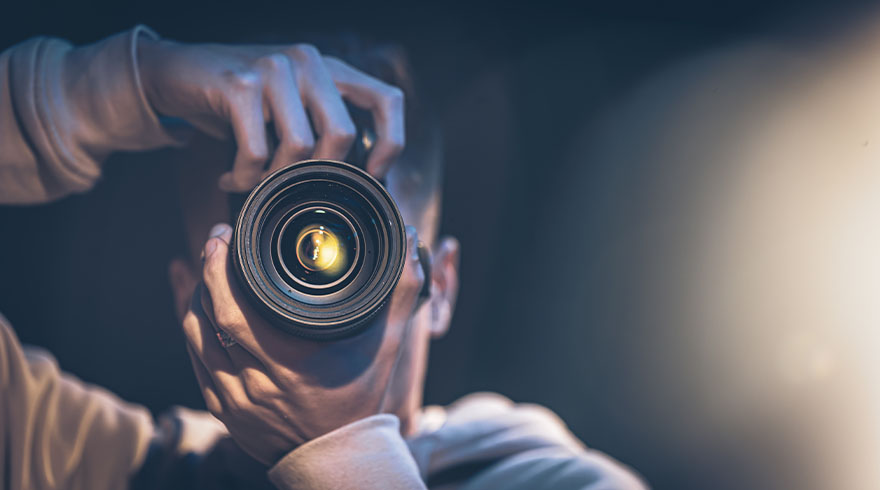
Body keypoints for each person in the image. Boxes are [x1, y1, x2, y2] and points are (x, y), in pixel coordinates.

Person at [0, 25, 646, 489]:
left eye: (360, 239)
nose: (311, 278)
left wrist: (342, 460)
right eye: (265, 241)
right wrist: (125, 85)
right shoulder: (96, 466)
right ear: (187, 295)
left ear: (440, 285)